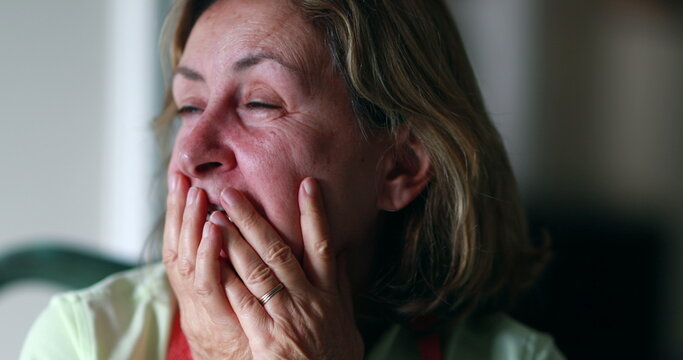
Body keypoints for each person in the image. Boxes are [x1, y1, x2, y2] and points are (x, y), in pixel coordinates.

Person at [21, 0, 565, 359]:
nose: (191, 152)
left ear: (399, 167)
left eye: (259, 102)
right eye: (189, 106)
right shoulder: (85, 339)